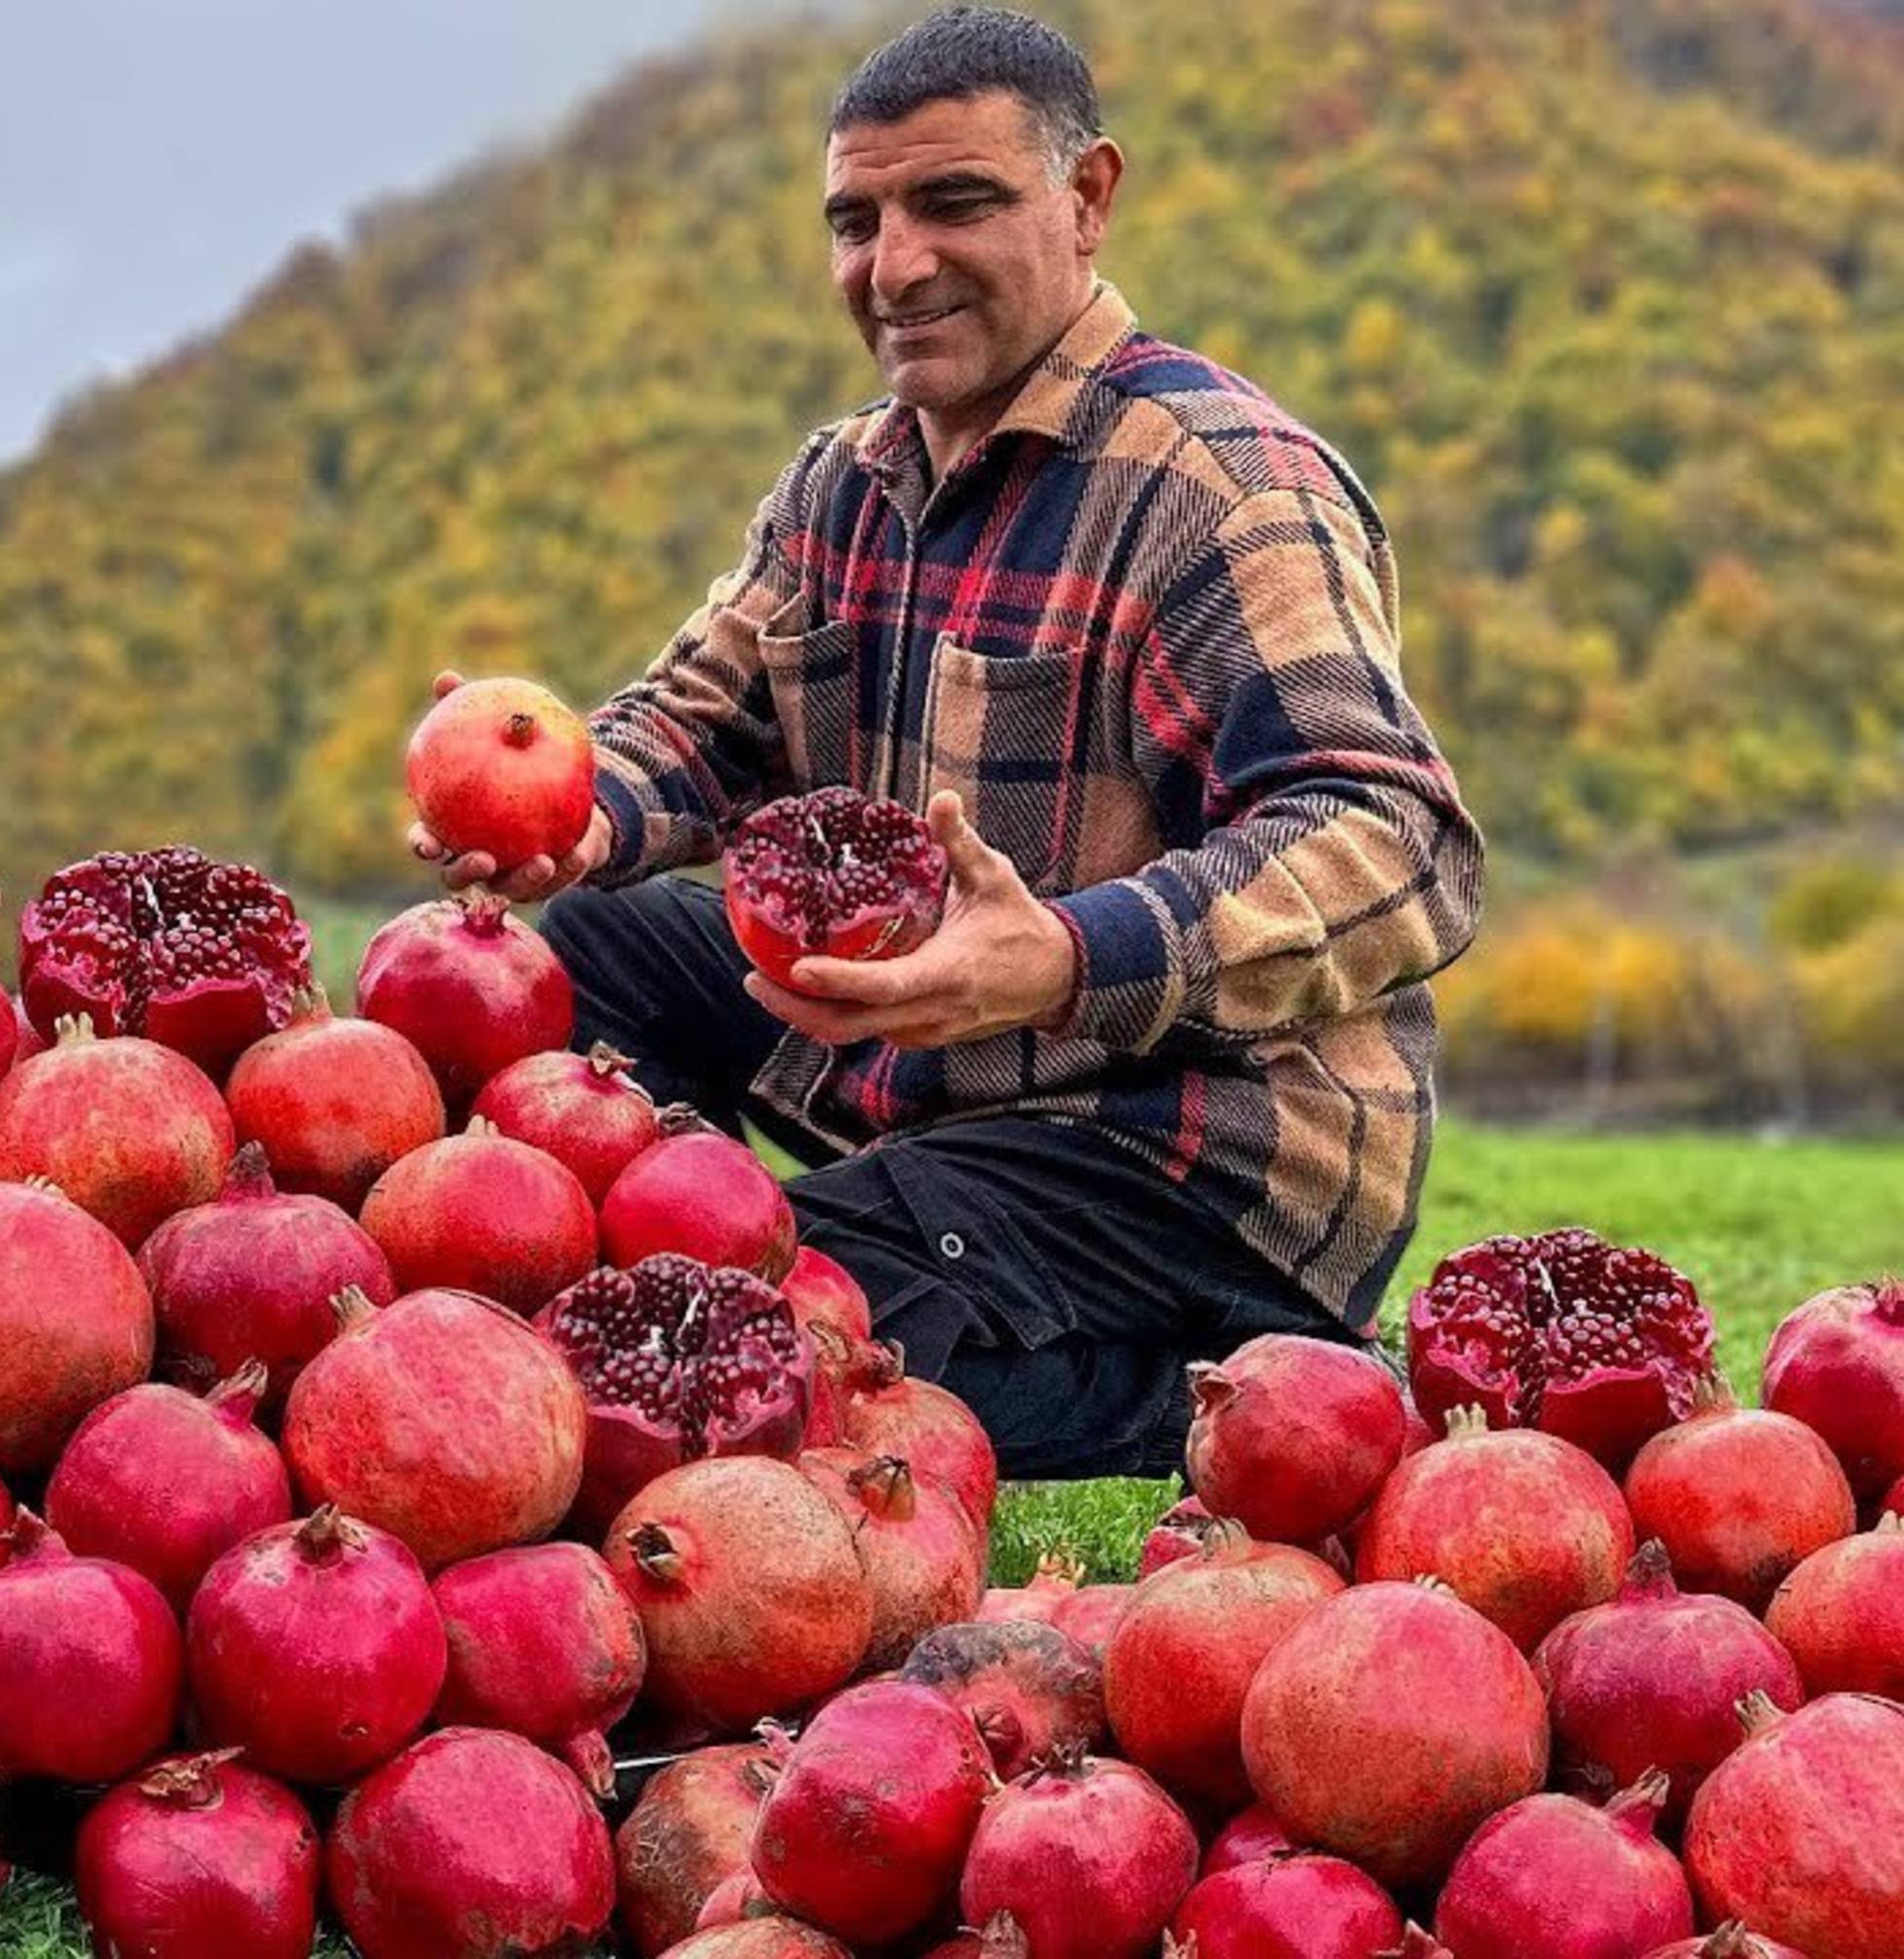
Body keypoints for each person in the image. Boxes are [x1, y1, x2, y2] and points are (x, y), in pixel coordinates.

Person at [414, 9, 1483, 1479]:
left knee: (762, 1324)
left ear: (1088, 198)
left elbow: (1390, 841)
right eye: (855, 221)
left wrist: (1059, 951)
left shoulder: (1221, 486)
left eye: (954, 203)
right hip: (929, 1072)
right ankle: (670, 1277)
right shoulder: (845, 479)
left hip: (1186, 1149)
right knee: (554, 960)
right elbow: (699, 720)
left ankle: (1197, 1385)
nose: (894, 264)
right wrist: (569, 809)